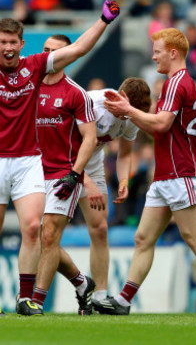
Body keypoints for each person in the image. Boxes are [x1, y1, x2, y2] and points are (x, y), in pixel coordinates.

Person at [0, 0, 121, 316]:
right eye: (3, 42)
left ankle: (26, 299)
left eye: (14, 42)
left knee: (33, 228)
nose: (8, 48)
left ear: (21, 44)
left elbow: (79, 49)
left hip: (29, 160)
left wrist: (103, 20)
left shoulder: (36, 66)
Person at [95, 28, 196, 316]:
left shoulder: (176, 83)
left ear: (173, 52)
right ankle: (123, 300)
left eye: (157, 50)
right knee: (143, 238)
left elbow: (161, 124)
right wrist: (129, 111)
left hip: (180, 173)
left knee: (195, 237)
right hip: (167, 175)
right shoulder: (178, 83)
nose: (153, 55)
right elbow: (159, 128)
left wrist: (128, 110)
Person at [26, 35, 98, 315]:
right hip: (30, 173)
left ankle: (36, 302)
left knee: (49, 236)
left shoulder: (76, 93)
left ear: (66, 55)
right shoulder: (27, 87)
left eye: (54, 51)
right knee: (39, 235)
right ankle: (82, 283)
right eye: (44, 50)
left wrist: (75, 175)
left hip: (62, 174)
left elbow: (89, 138)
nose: (48, 55)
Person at [77, 77, 151, 309]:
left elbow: (126, 153)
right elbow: (61, 144)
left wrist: (122, 180)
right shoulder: (92, 104)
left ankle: (99, 295)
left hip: (93, 163)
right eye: (127, 110)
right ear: (120, 97)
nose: (129, 117)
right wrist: (84, 180)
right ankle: (73, 284)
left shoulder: (131, 114)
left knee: (100, 229)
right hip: (61, 159)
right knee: (47, 232)